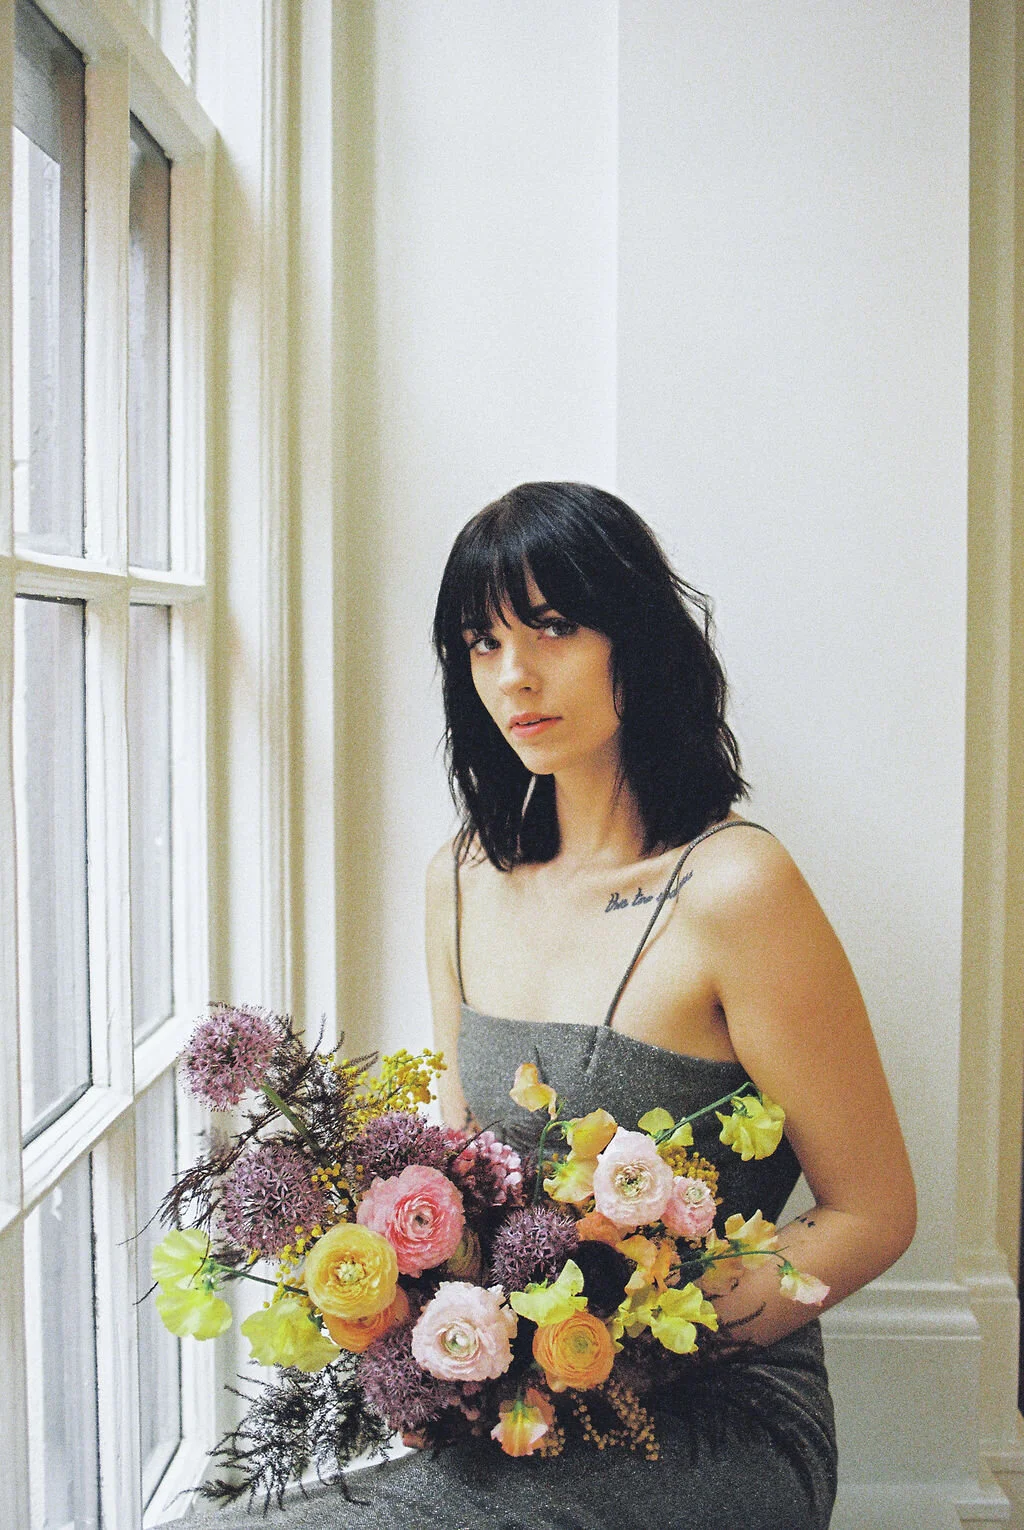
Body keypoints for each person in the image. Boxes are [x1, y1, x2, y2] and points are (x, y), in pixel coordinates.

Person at [187, 482, 915, 1530]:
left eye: (554, 626)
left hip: (718, 1415)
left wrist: (634, 1347)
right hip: (522, 1416)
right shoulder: (457, 882)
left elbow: (873, 1212)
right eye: (481, 643)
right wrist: (441, 1345)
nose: (513, 674)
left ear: (639, 640)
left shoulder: (736, 888)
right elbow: (468, 1166)